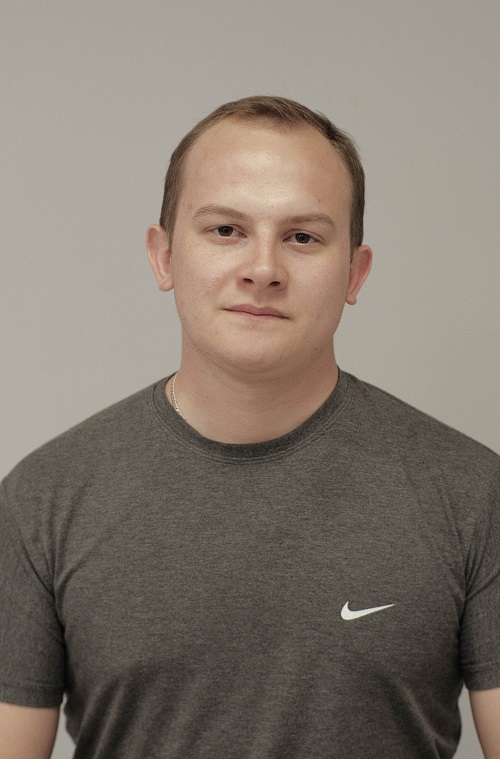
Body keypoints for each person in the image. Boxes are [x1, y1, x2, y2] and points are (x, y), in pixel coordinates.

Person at [0, 96, 499, 759]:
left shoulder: (473, 494)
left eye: (303, 237)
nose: (263, 269)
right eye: (226, 229)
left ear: (354, 273)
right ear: (163, 256)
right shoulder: (42, 499)